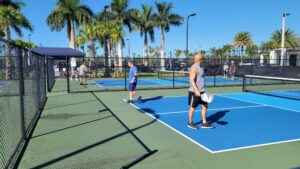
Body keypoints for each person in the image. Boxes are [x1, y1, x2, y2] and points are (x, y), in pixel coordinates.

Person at [188, 53, 214, 129]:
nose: (203, 60)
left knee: (205, 106)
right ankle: (190, 122)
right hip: (195, 91)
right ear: (201, 60)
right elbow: (191, 80)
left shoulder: (200, 67)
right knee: (193, 107)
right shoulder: (194, 68)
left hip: (202, 91)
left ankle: (204, 122)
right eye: (202, 58)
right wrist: (196, 91)